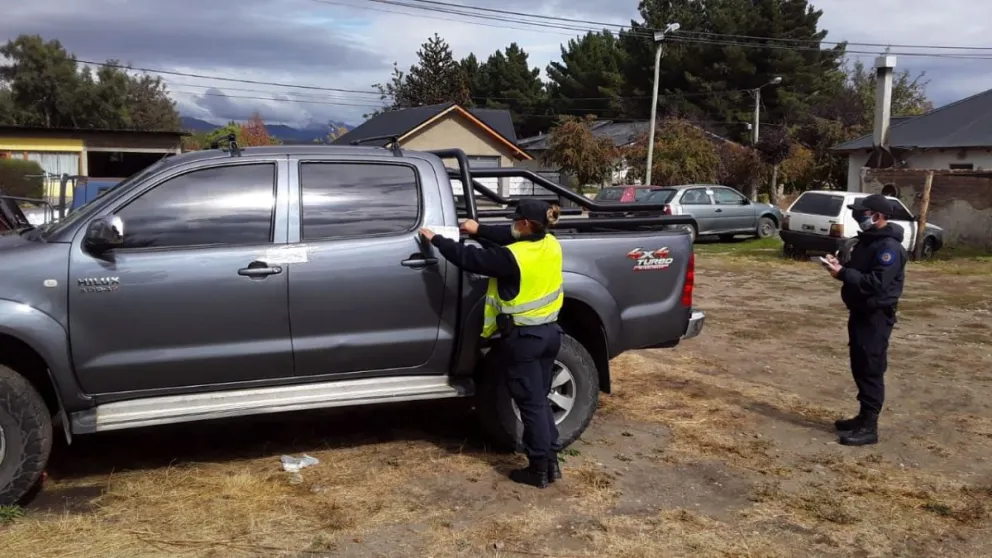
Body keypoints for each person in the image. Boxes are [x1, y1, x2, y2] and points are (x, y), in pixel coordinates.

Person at [420, 199, 564, 488]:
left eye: (515, 220)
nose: (512, 224)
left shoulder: (512, 257)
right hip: (549, 334)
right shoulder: (550, 243)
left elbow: (470, 259)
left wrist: (437, 240)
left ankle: (538, 469)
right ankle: (550, 460)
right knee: (541, 399)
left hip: (524, 339)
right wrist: (479, 230)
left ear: (524, 224)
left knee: (531, 403)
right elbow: (506, 236)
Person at [821, 193, 907, 446]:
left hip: (875, 316)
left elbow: (877, 284)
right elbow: (858, 271)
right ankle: (862, 417)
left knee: (871, 367)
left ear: (878, 216)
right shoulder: (868, 241)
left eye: (863, 213)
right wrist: (839, 266)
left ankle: (870, 427)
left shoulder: (889, 247)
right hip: (860, 312)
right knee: (859, 364)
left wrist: (843, 274)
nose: (858, 217)